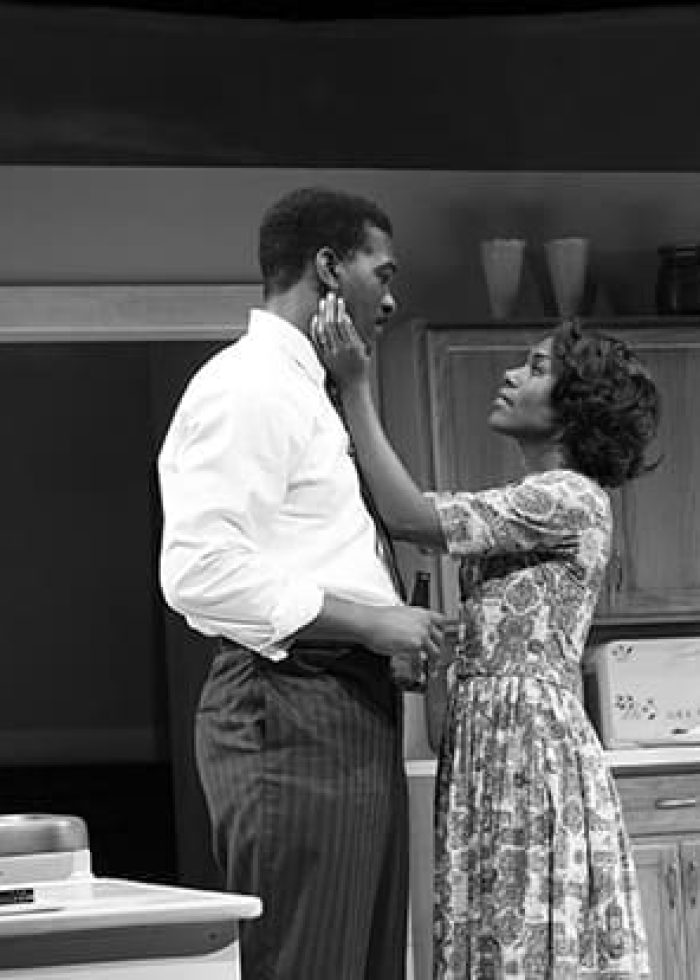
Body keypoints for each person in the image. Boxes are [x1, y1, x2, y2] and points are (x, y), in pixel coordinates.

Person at [314, 308, 659, 979]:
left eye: (534, 367)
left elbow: (410, 516)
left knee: (525, 939)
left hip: (531, 752)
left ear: (574, 407)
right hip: (489, 751)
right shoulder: (528, 498)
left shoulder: (569, 497)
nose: (509, 374)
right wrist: (444, 660)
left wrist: (356, 386)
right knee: (496, 935)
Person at [157, 186, 446, 980]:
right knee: (308, 961)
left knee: (364, 961)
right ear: (327, 268)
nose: (391, 298)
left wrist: (379, 630)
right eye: (380, 275)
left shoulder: (309, 392)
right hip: (290, 708)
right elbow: (198, 571)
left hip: (347, 708)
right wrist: (369, 621)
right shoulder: (245, 385)